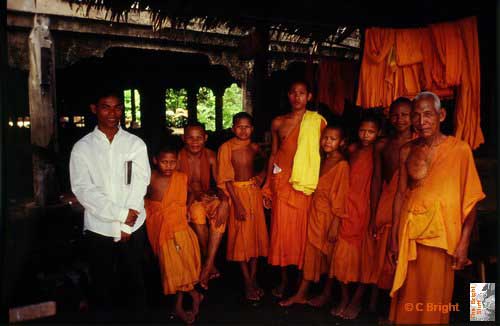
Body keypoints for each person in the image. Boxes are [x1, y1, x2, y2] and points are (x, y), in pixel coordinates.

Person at [388, 91, 485, 324]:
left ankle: (483, 316)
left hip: (444, 234)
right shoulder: (406, 151)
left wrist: (463, 243)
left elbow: (470, 199)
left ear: (441, 115)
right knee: (408, 296)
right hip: (411, 233)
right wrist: (393, 237)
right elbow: (401, 194)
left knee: (440, 298)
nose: (422, 122)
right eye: (416, 116)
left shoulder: (460, 150)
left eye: (428, 115)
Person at [69, 89, 150, 319]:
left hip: (133, 226)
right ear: (94, 109)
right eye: (106, 106)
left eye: (117, 107)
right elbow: (84, 190)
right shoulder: (82, 147)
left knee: (135, 282)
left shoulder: (135, 144)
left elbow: (140, 183)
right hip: (99, 226)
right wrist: (121, 215)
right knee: (102, 285)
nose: (112, 113)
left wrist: (126, 224)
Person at [262, 79, 326, 298]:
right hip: (282, 182)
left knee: (303, 235)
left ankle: (300, 282)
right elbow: (274, 154)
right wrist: (267, 184)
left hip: (306, 184)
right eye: (293, 92)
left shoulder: (317, 122)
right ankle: (283, 280)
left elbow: (323, 154)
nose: (297, 97)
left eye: (302, 93)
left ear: (309, 96)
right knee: (281, 233)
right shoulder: (278, 122)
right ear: (288, 95)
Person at [279, 125, 349, 307]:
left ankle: (344, 297)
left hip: (329, 217)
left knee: (331, 257)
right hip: (314, 213)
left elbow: (341, 197)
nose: (327, 141)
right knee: (312, 254)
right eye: (325, 137)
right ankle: (303, 293)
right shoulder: (321, 159)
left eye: (333, 139)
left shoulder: (342, 165)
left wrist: (335, 224)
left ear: (341, 143)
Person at [366, 97, 415, 317]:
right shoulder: (383, 145)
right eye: (395, 115)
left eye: (405, 114)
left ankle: (481, 314)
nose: (400, 119)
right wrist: (374, 212)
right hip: (389, 203)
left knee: (407, 258)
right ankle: (382, 305)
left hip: (413, 208)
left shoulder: (423, 144)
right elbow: (376, 179)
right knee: (385, 254)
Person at [145, 146, 203, 324]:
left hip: (178, 225)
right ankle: (194, 294)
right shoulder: (150, 177)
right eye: (164, 162)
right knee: (170, 266)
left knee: (176, 266)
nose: (169, 166)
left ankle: (181, 304)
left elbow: (193, 192)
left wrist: (185, 207)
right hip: (158, 225)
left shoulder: (181, 177)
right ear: (155, 161)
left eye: (172, 162)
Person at [329, 114, 380, 319]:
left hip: (365, 208)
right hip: (348, 206)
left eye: (371, 131)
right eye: (362, 130)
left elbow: (376, 182)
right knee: (342, 255)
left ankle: (484, 314)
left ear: (379, 133)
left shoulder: (378, 151)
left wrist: (373, 213)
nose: (366, 135)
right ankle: (344, 297)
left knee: (364, 259)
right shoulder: (351, 150)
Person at [217, 112, 269, 302]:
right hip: (237, 195)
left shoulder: (254, 147)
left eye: (247, 127)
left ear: (252, 129)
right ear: (233, 128)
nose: (243, 130)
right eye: (239, 126)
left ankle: (253, 279)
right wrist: (237, 205)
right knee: (241, 239)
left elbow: (268, 164)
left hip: (253, 193)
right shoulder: (226, 148)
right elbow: (226, 179)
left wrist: (260, 178)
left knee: (255, 237)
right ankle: (247, 282)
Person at [177, 122, 230, 289]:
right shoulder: (177, 158)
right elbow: (177, 187)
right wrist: (187, 203)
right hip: (190, 200)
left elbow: (220, 184)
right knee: (197, 213)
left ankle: (207, 264)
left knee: (220, 214)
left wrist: (225, 201)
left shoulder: (211, 156)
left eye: (199, 138)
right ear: (183, 138)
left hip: (209, 196)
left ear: (205, 138)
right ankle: (209, 264)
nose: (195, 142)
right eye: (190, 138)